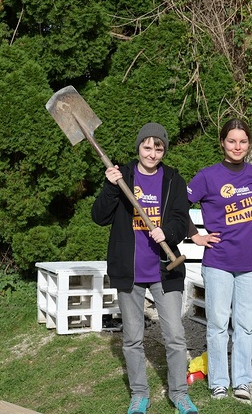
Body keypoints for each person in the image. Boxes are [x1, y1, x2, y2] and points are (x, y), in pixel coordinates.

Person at [91, 122, 197, 414]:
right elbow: (99, 217)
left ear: (164, 150)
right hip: (130, 271)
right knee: (132, 338)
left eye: (158, 147)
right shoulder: (122, 175)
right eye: (147, 146)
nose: (152, 153)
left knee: (175, 335)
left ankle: (179, 393)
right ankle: (140, 394)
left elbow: (179, 217)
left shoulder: (173, 180)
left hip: (165, 269)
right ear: (138, 147)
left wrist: (169, 233)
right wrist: (111, 188)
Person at [186, 118, 252, 401]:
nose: (237, 146)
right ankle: (219, 382)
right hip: (218, 262)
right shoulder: (207, 176)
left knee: (246, 326)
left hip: (249, 264)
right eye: (231, 141)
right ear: (222, 142)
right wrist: (196, 237)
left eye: (243, 141)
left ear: (249, 144)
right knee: (218, 325)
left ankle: (242, 381)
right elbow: (177, 206)